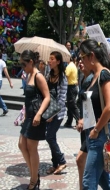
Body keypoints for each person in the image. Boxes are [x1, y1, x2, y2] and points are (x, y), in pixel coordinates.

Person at [78, 39, 110, 190]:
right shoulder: (94, 76)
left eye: (82, 57)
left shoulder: (104, 74)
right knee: (104, 180)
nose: (81, 60)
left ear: (91, 56)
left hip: (99, 135)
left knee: (88, 183)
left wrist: (95, 130)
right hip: (93, 133)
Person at [18, 50, 50, 190]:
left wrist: (39, 114)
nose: (22, 67)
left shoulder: (38, 76)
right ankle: (34, 175)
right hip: (28, 116)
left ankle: (33, 180)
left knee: (32, 148)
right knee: (21, 145)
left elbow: (47, 97)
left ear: (31, 62)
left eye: (24, 64)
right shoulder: (29, 75)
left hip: (36, 116)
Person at [45, 51, 68, 175]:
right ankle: (55, 164)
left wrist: (52, 115)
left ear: (58, 61)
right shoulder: (48, 74)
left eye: (52, 59)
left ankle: (62, 161)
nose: (49, 61)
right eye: (49, 58)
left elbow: (62, 99)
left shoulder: (63, 78)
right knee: (51, 137)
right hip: (48, 110)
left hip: (58, 113)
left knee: (49, 136)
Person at [75, 59, 93, 190]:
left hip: (91, 126)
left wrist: (84, 119)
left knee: (80, 160)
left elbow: (91, 104)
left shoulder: (92, 79)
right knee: (86, 163)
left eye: (83, 60)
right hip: (85, 125)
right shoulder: (83, 78)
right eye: (79, 60)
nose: (80, 63)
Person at [64, 55, 80, 128]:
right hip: (73, 87)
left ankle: (79, 120)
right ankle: (69, 121)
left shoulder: (69, 66)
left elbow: (65, 76)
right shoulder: (73, 65)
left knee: (72, 105)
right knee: (70, 104)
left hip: (71, 87)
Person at [0, 51, 13, 115]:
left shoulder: (2, 62)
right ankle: (4, 108)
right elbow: (6, 73)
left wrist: (10, 82)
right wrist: (10, 82)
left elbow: (6, 73)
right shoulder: (2, 62)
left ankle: (5, 108)